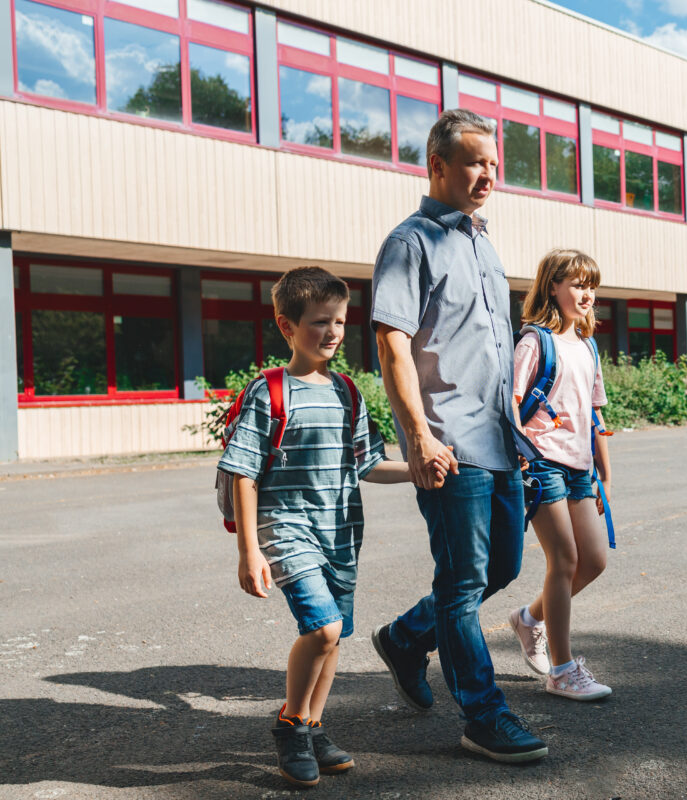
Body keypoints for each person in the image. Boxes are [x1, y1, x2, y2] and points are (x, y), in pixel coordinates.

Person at [369, 109, 548, 763]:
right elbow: (392, 342)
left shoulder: (483, 245)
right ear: (438, 166)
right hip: (447, 443)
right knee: (464, 581)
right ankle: (483, 715)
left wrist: (520, 435)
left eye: (494, 165)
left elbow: (491, 354)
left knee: (503, 567)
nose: (488, 175)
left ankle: (406, 637)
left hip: (497, 443)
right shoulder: (410, 242)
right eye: (476, 162)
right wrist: (418, 436)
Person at [219, 266, 442, 788]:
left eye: (340, 321)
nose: (334, 332)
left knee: (334, 636)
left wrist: (420, 469)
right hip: (285, 527)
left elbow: (367, 464)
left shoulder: (347, 392)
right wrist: (249, 552)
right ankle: (292, 725)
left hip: (341, 533)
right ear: (286, 327)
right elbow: (244, 472)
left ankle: (314, 724)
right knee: (324, 627)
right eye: (320, 322)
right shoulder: (269, 391)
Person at [508, 249, 614, 701]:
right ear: (551, 287)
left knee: (594, 561)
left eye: (590, 285)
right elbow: (511, 402)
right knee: (564, 560)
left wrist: (604, 471)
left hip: (579, 468)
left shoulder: (587, 345)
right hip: (542, 463)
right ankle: (562, 670)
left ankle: (529, 619)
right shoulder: (535, 341)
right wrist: (521, 456)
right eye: (575, 284)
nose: (585, 293)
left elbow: (594, 412)